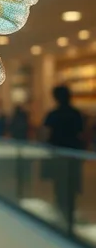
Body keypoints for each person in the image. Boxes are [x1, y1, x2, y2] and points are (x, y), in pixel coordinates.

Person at [42, 86, 84, 221]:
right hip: (73, 155)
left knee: (59, 186)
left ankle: (62, 214)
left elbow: (45, 134)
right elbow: (82, 134)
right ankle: (69, 216)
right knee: (71, 186)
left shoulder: (53, 114)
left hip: (58, 155)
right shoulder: (76, 113)